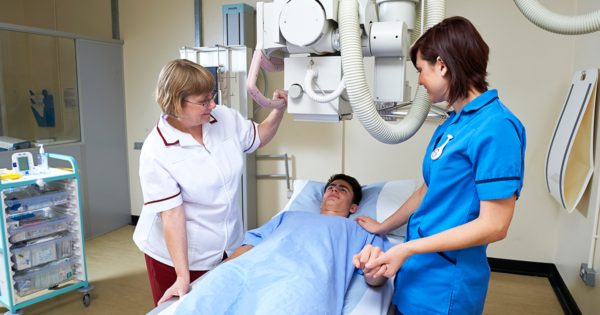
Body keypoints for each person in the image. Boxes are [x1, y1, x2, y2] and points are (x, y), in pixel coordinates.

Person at [353, 16, 526, 315]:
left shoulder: (497, 128)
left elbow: (495, 226)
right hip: (417, 273)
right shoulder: (455, 122)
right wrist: (384, 227)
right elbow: (428, 189)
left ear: (442, 66)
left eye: (421, 70)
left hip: (446, 287)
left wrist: (406, 249)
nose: (419, 80)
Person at [133, 59, 287, 306]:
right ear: (175, 102)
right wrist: (182, 276)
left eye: (212, 96)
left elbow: (257, 137)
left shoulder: (222, 117)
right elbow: (172, 216)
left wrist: (278, 110)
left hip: (228, 245)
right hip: (179, 257)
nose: (213, 105)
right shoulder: (157, 150)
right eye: (204, 101)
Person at [175, 174, 391, 315]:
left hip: (302, 280)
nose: (334, 189)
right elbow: (251, 243)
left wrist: (372, 268)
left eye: (342, 189)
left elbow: (378, 280)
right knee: (201, 303)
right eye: (331, 187)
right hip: (248, 269)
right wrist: (218, 272)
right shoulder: (288, 216)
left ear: (353, 207)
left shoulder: (362, 229)